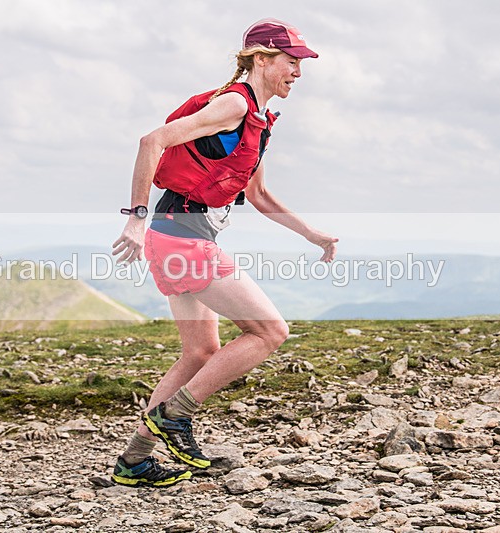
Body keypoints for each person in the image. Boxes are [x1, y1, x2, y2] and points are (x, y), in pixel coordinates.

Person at [110, 18, 338, 487]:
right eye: (290, 62)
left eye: (300, 64)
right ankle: (176, 416)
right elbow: (152, 140)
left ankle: (135, 460)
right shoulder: (235, 103)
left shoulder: (259, 119)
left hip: (180, 233)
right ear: (261, 58)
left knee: (200, 351)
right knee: (270, 331)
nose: (298, 72)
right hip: (181, 235)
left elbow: (258, 196)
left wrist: (312, 234)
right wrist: (133, 216)